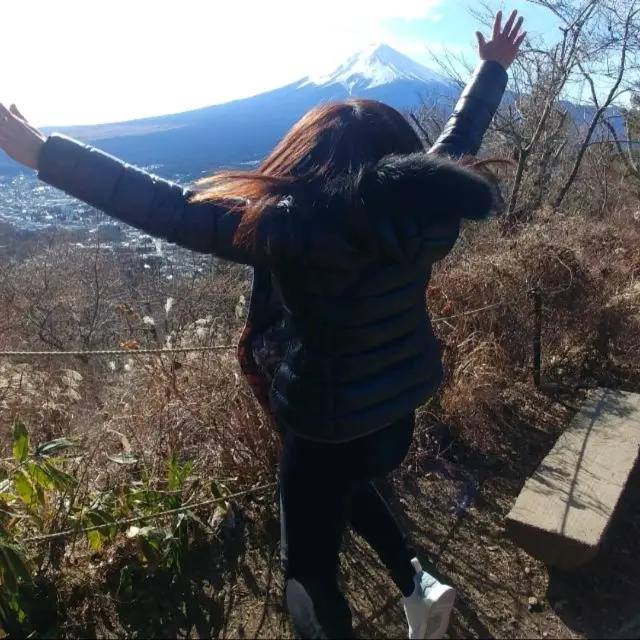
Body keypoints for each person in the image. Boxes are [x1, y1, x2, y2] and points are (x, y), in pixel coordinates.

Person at [0, 10, 525, 639]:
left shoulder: (289, 227)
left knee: (306, 571)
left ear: (311, 160)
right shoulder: (427, 209)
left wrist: (39, 151)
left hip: (324, 425)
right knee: (350, 482)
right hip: (397, 413)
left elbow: (167, 207)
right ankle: (418, 586)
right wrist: (491, 68)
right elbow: (458, 141)